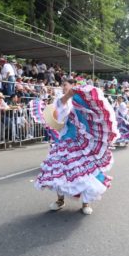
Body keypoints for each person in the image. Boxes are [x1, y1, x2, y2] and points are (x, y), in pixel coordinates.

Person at [33, 79, 119, 215]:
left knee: (84, 172)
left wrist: (76, 96)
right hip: (63, 143)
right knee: (58, 171)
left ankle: (86, 203)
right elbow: (59, 113)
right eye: (62, 85)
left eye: (65, 85)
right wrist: (68, 95)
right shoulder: (61, 101)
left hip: (79, 143)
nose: (63, 87)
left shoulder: (79, 102)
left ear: (73, 86)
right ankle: (60, 200)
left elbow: (92, 112)